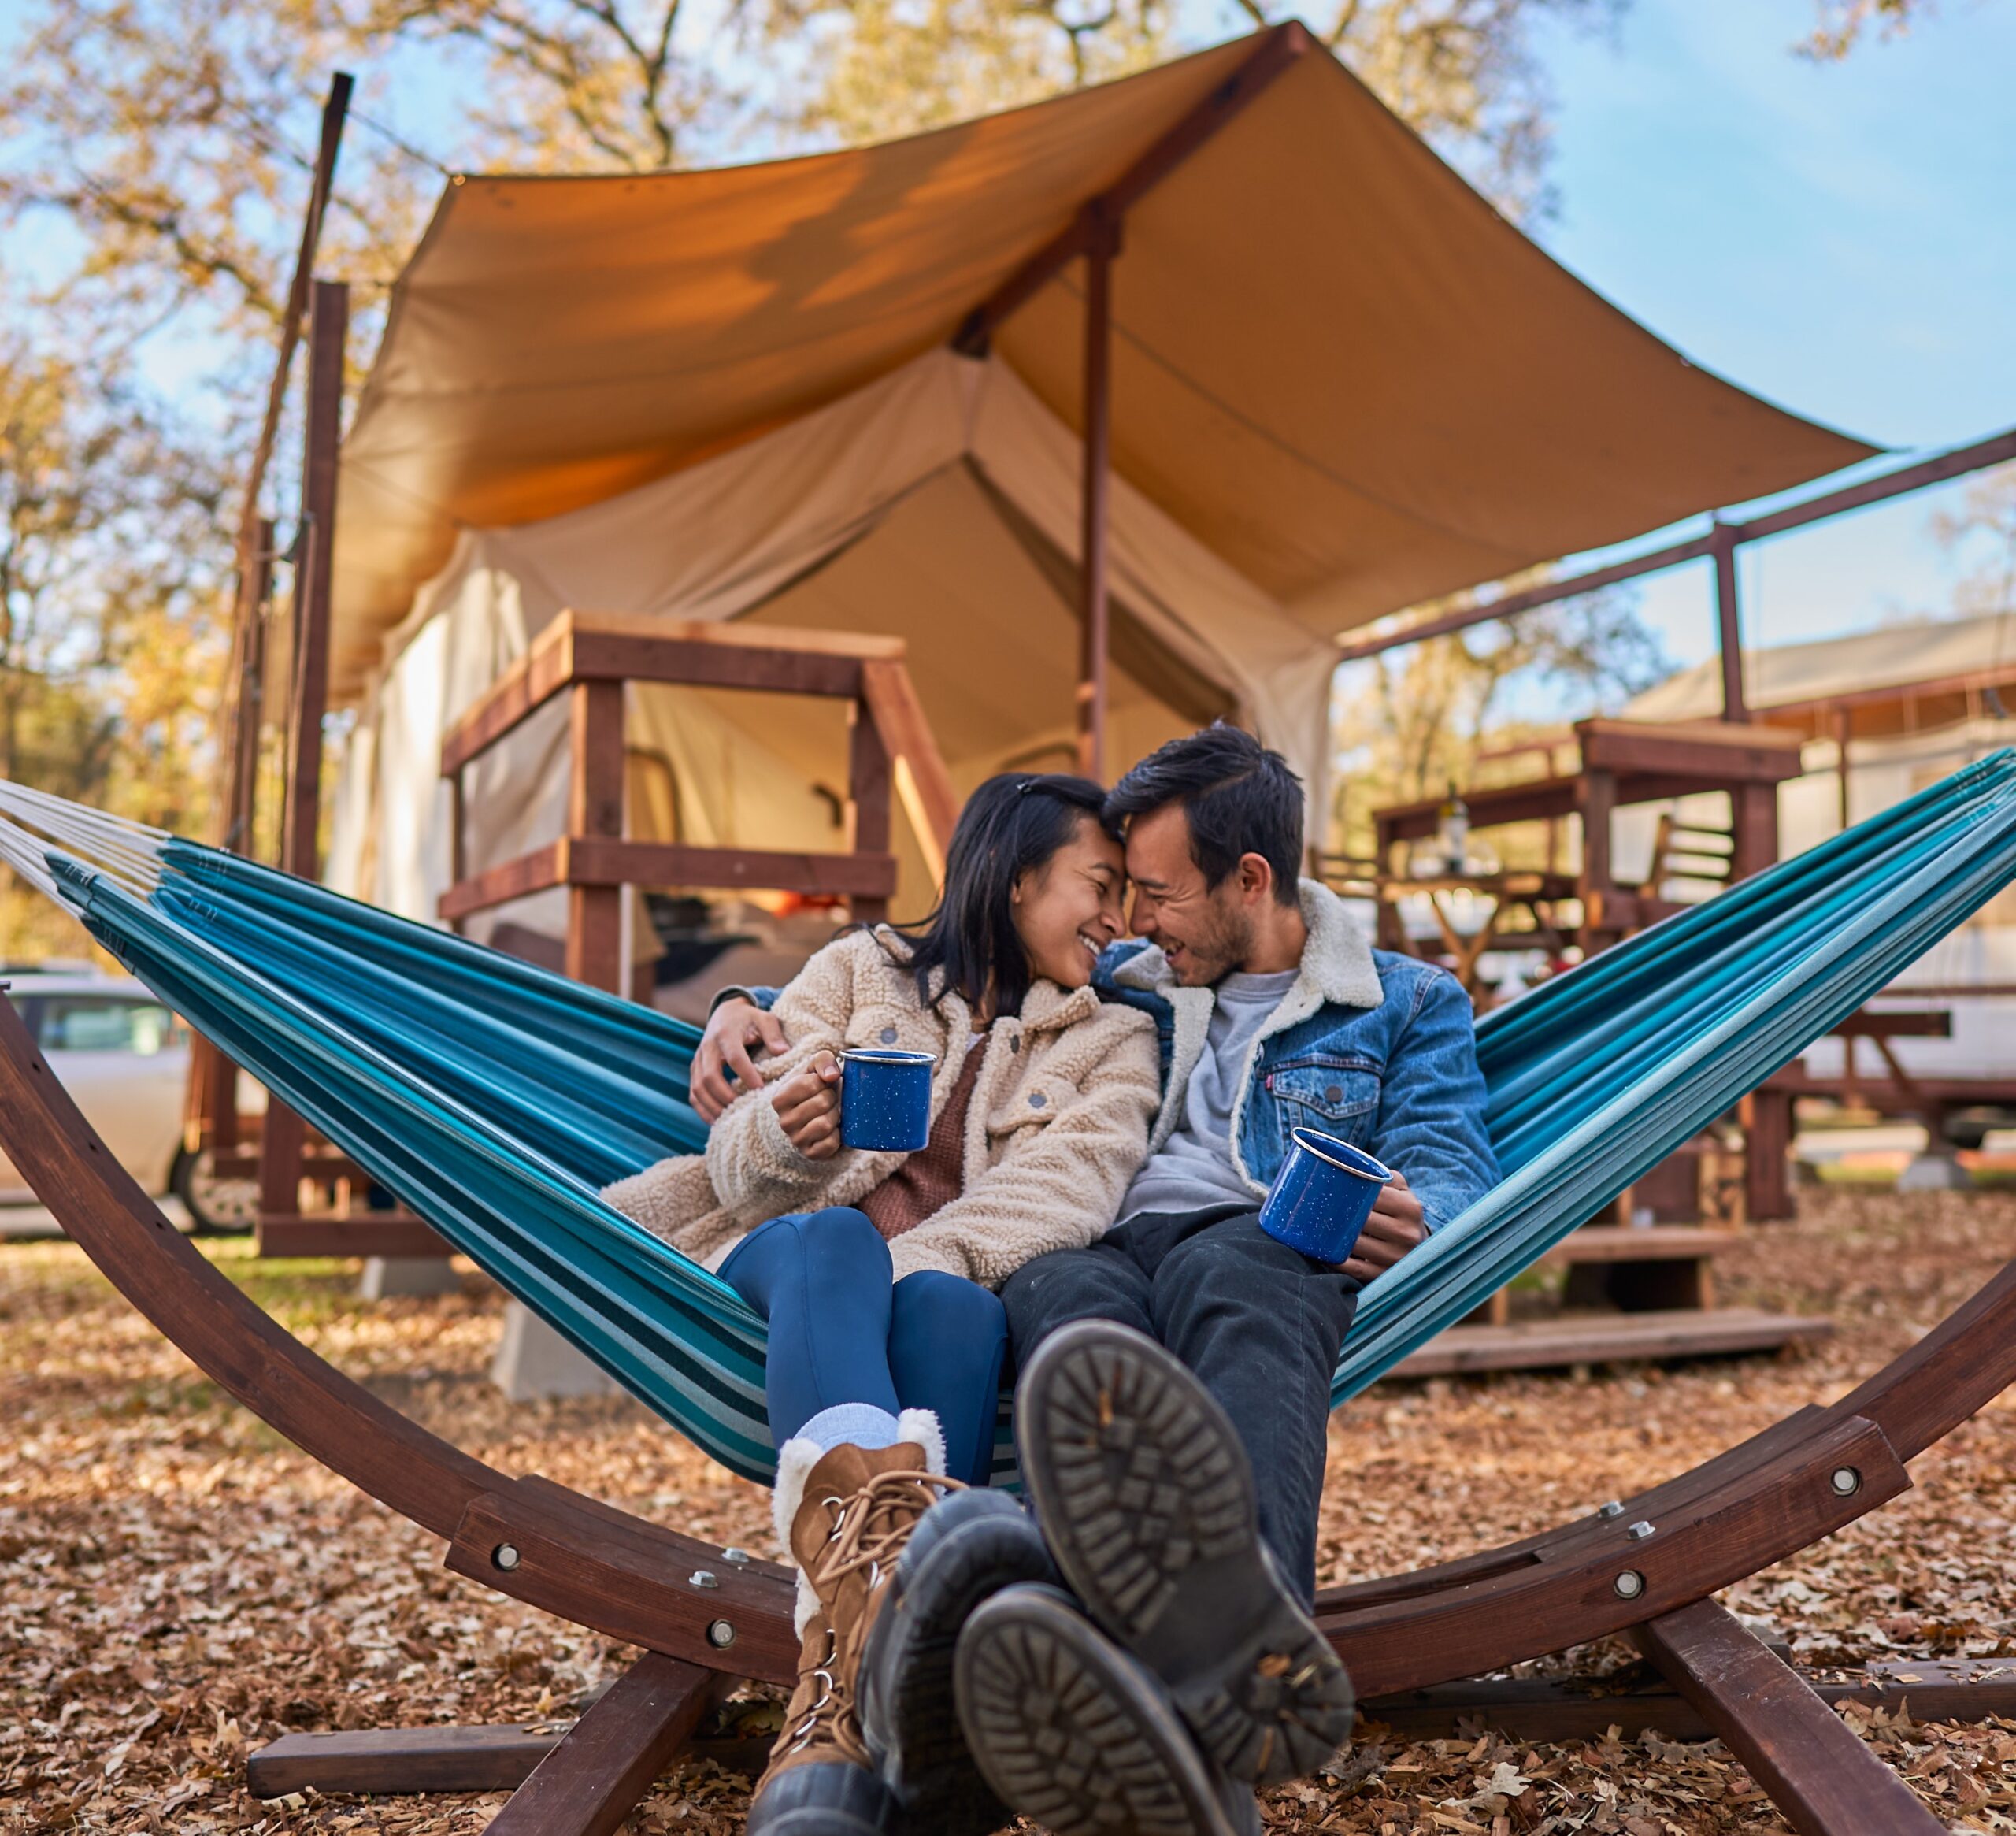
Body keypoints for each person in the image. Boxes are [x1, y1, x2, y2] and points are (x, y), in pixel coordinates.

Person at [696, 724, 1499, 1836]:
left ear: (1249, 882)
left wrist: (1426, 1215)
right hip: (1095, 1248)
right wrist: (732, 1011)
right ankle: (1048, 1647)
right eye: (1119, 889)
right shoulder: (1128, 976)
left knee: (1242, 1287)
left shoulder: (1403, 1001)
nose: (1136, 921)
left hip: (1259, 1235)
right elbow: (923, 980)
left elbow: (1455, 1163)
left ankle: (1237, 1652)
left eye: (1157, 891)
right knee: (1071, 1324)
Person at [606, 773, 1162, 1836]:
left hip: (931, 1297)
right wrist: (787, 1133)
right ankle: (889, 1638)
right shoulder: (858, 969)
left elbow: (1066, 1193)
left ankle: (847, 1702)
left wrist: (915, 1267)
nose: (1117, 916)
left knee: (955, 1312)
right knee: (834, 1240)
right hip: (779, 1260)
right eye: (1100, 883)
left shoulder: (1113, 1038)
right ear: (1012, 875)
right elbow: (739, 1162)